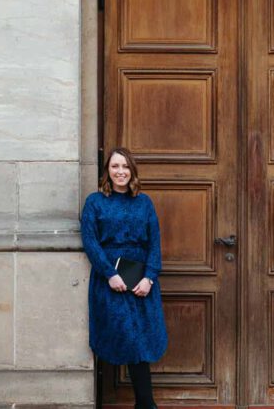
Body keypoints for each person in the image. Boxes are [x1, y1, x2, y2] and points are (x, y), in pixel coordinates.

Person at [81, 147, 168, 409]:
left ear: (132, 171)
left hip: (141, 280)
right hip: (110, 282)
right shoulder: (95, 202)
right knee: (120, 336)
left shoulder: (144, 202)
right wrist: (110, 273)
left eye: (125, 167)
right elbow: (90, 240)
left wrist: (149, 277)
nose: (120, 172)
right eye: (115, 166)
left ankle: (145, 404)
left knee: (141, 339)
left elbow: (155, 242)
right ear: (107, 171)